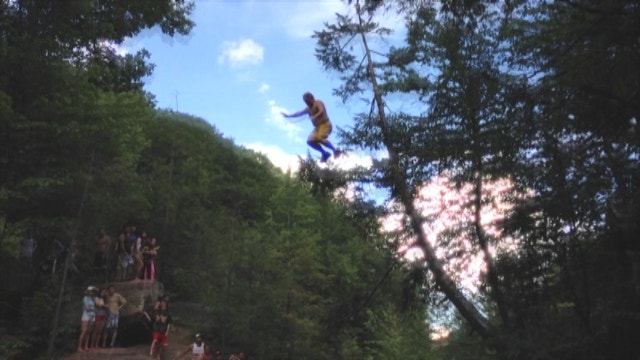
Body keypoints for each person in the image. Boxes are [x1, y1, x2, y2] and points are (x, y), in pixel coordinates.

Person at [282, 92, 342, 162]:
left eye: (307, 101)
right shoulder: (308, 109)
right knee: (310, 141)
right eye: (305, 102)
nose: (306, 103)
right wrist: (288, 116)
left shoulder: (318, 103)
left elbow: (322, 111)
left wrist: (314, 116)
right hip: (317, 128)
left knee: (320, 138)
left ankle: (335, 151)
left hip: (325, 124)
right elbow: (299, 113)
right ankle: (324, 153)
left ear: (311, 98)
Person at [77, 286, 97, 352]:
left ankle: (86, 346)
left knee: (89, 331)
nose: (92, 292)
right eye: (91, 291)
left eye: (93, 291)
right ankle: (79, 347)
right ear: (88, 292)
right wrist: (93, 309)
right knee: (84, 331)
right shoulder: (85, 298)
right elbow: (87, 308)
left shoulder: (93, 299)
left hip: (92, 316)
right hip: (86, 315)